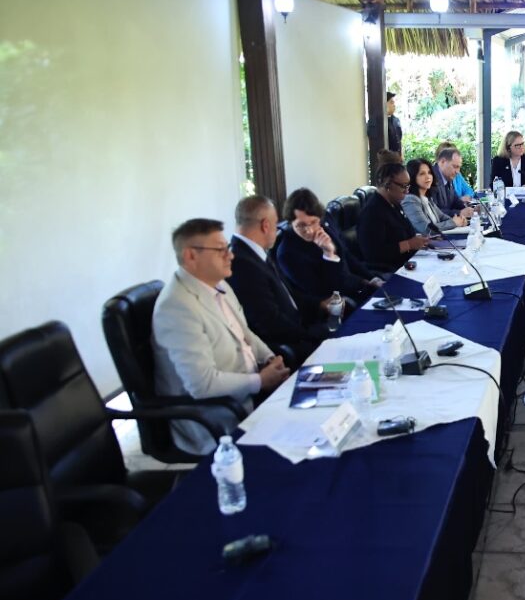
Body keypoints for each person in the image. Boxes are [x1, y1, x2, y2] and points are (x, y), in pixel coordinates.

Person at [152, 218, 290, 454]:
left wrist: (269, 358)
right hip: (214, 417)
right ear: (191, 256)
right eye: (220, 250)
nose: (231, 255)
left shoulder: (219, 284)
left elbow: (244, 333)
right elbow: (201, 385)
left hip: (248, 394)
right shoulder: (176, 307)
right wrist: (260, 381)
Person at [226, 195, 328, 367]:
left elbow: (288, 296)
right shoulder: (241, 262)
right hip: (287, 345)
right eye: (275, 224)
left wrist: (319, 304)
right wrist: (310, 335)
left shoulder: (254, 252)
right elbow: (268, 322)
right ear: (265, 225)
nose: (277, 228)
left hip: (299, 327)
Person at [276, 187, 384, 306]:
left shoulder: (325, 225)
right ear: (291, 223)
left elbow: (346, 255)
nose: (309, 230)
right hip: (336, 301)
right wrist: (329, 255)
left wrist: (372, 278)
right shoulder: (287, 253)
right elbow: (323, 289)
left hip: (356, 285)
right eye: (301, 225)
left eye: (313, 222)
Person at [357, 162, 430, 272]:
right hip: (389, 270)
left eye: (408, 186)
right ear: (387, 184)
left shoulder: (394, 204)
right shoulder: (372, 212)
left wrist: (420, 240)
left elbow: (408, 232)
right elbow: (373, 254)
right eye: (403, 186)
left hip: (407, 263)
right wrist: (409, 244)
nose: (407, 191)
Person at [402, 158, 470, 234]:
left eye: (429, 173)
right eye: (422, 174)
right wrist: (454, 223)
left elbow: (444, 217)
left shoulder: (427, 199)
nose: (428, 177)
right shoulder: (410, 200)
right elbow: (426, 229)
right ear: (412, 177)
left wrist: (460, 220)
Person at [431, 146, 468, 217]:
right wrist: (459, 213)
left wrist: (471, 209)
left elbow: (455, 201)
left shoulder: (447, 177)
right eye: (455, 167)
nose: (457, 172)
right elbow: (434, 212)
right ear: (442, 162)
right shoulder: (431, 178)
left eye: (459, 167)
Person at [385, 91, 402, 157]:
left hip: (397, 157)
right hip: (387, 158)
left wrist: (401, 155)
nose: (394, 105)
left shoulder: (396, 120)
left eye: (394, 103)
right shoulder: (380, 122)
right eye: (391, 103)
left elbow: (399, 140)